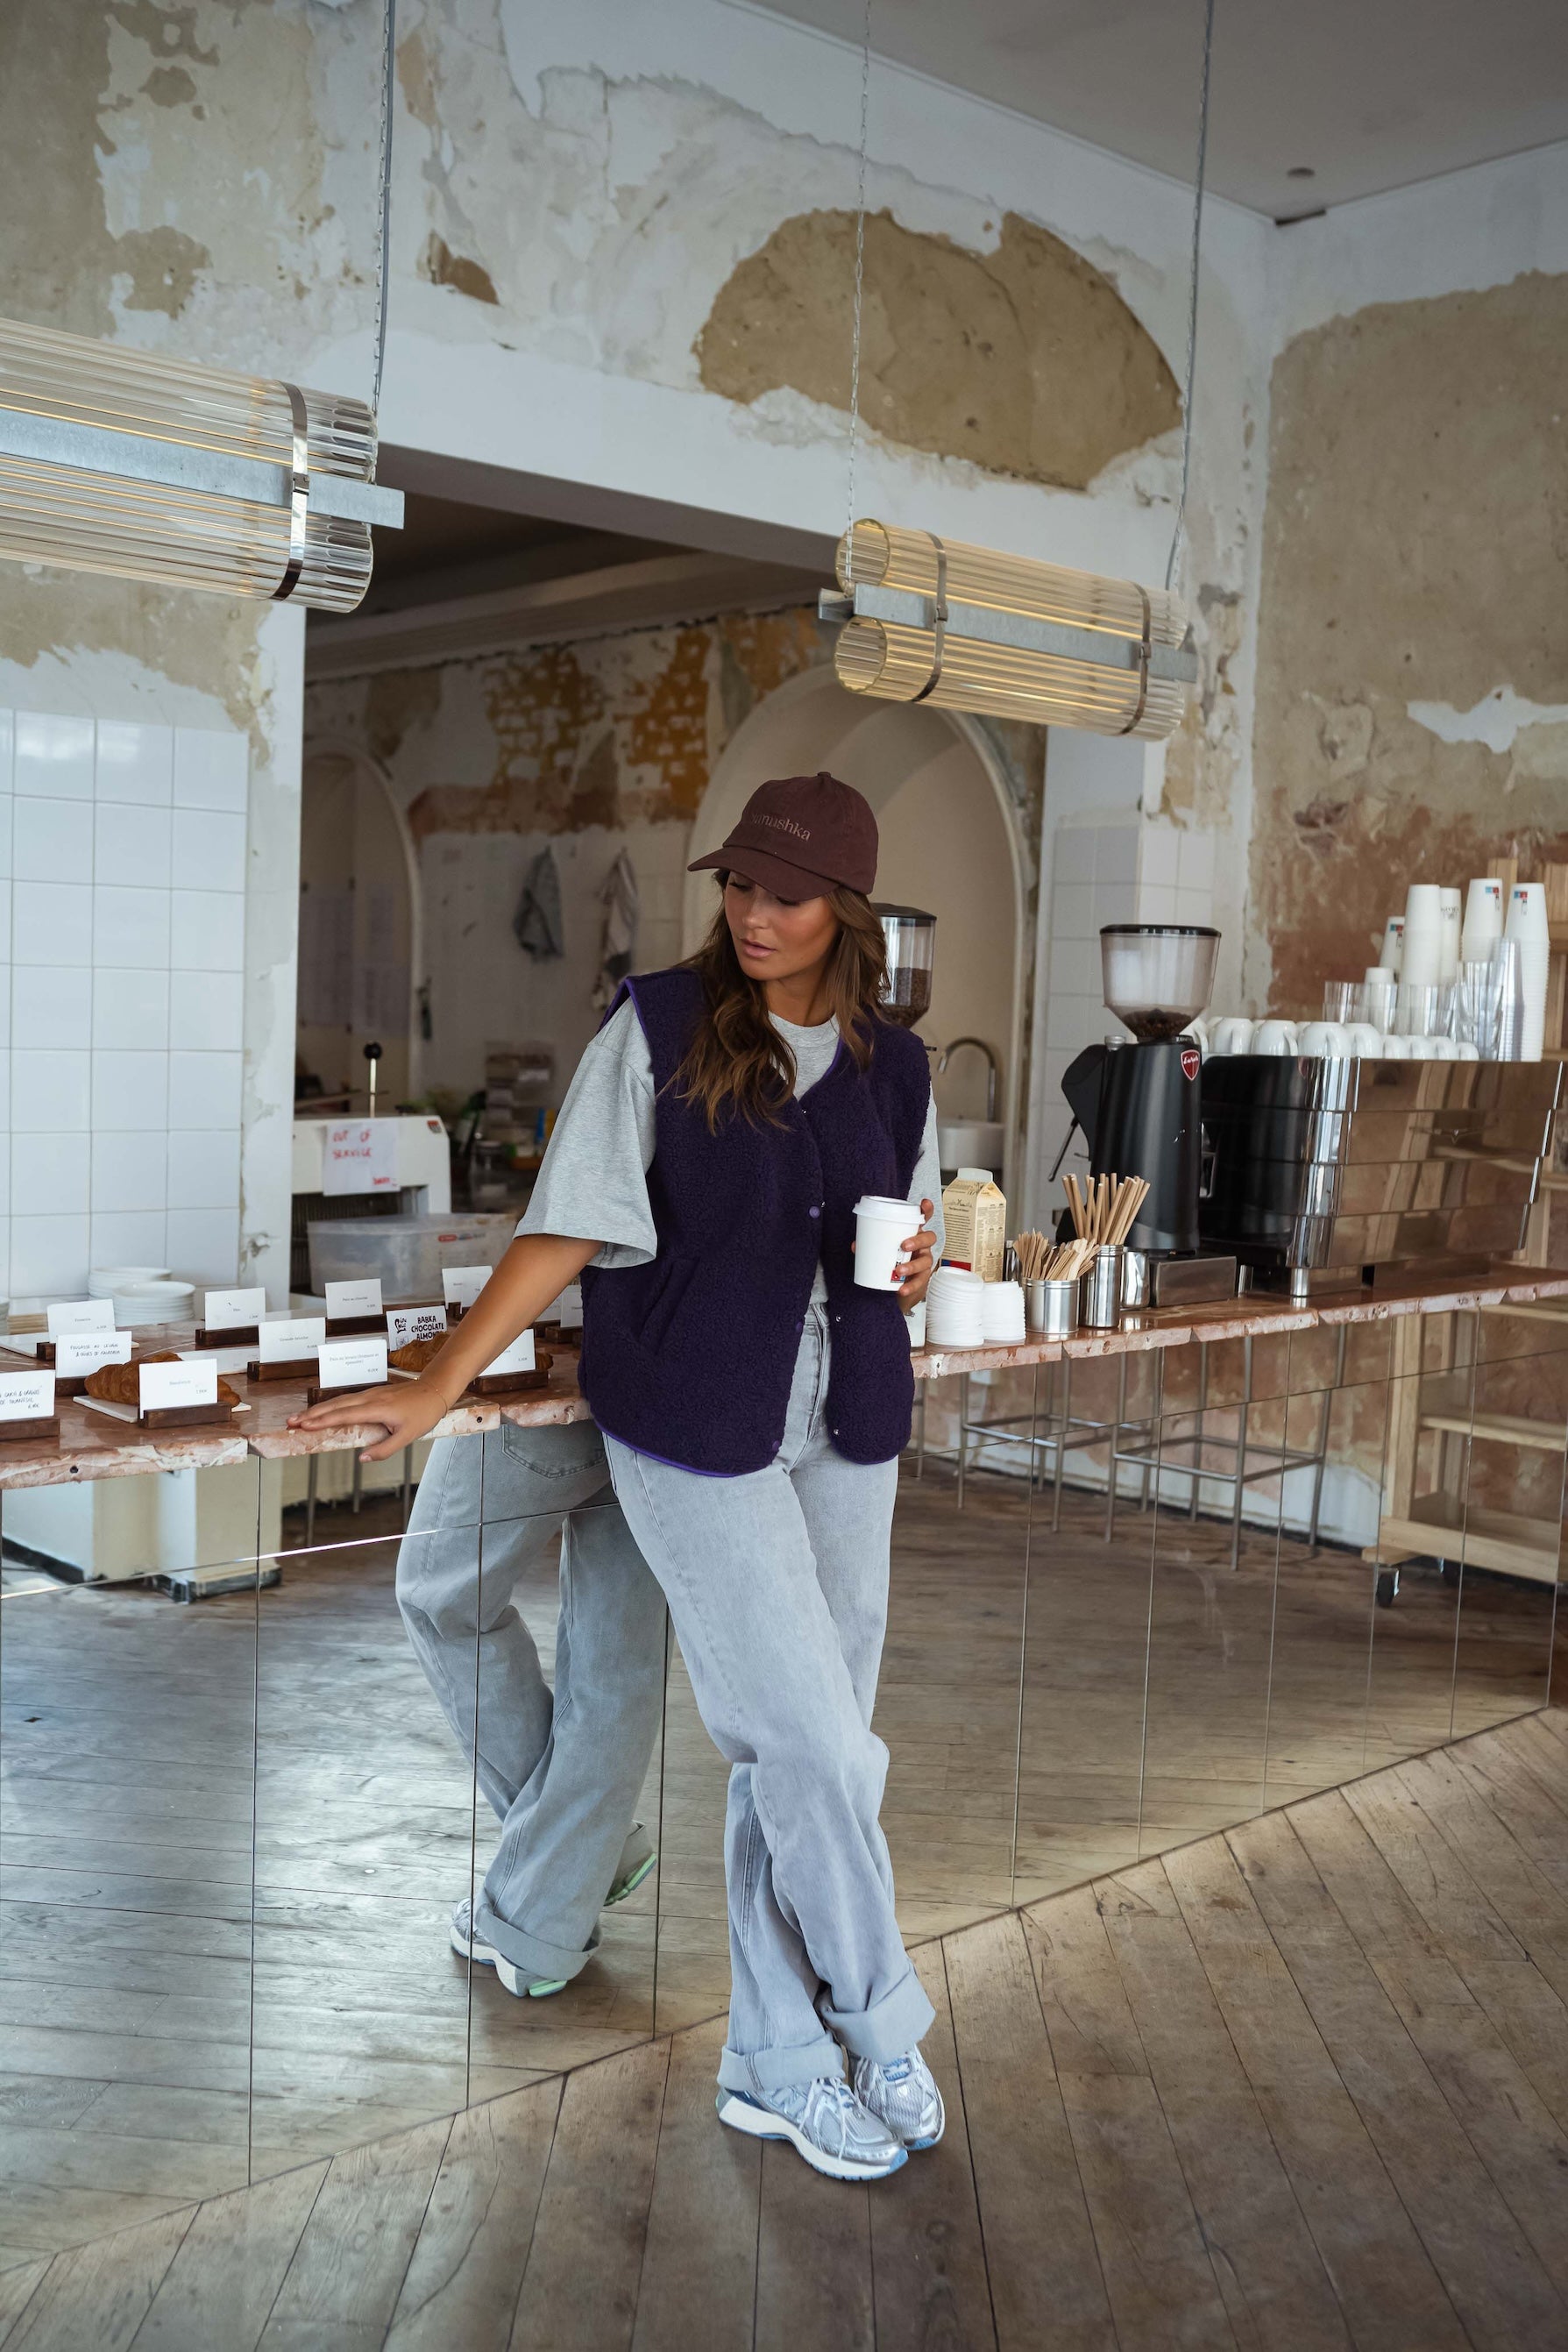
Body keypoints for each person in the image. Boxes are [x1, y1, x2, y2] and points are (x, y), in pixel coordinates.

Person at [293, 770, 944, 2184]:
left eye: (785, 892)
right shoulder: (658, 1027)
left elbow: (912, 1229)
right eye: (739, 884)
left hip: (852, 1418)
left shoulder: (898, 1065)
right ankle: (879, 2013)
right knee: (814, 1748)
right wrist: (444, 1377)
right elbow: (568, 1223)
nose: (753, 913)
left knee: (814, 1755)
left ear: (848, 907)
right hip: (696, 1416)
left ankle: (775, 2063)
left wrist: (913, 1260)